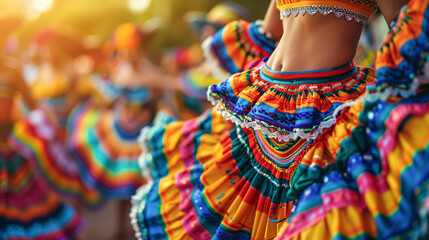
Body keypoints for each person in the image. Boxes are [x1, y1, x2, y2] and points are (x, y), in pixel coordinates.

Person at [131, 0, 429, 239]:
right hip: (263, 105)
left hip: (324, 112)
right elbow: (270, 33)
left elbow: (406, 32)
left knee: (310, 213)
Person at [0, 18, 83, 239]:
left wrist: (51, 126)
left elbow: (34, 105)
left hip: (11, 146)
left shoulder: (13, 72)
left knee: (24, 202)